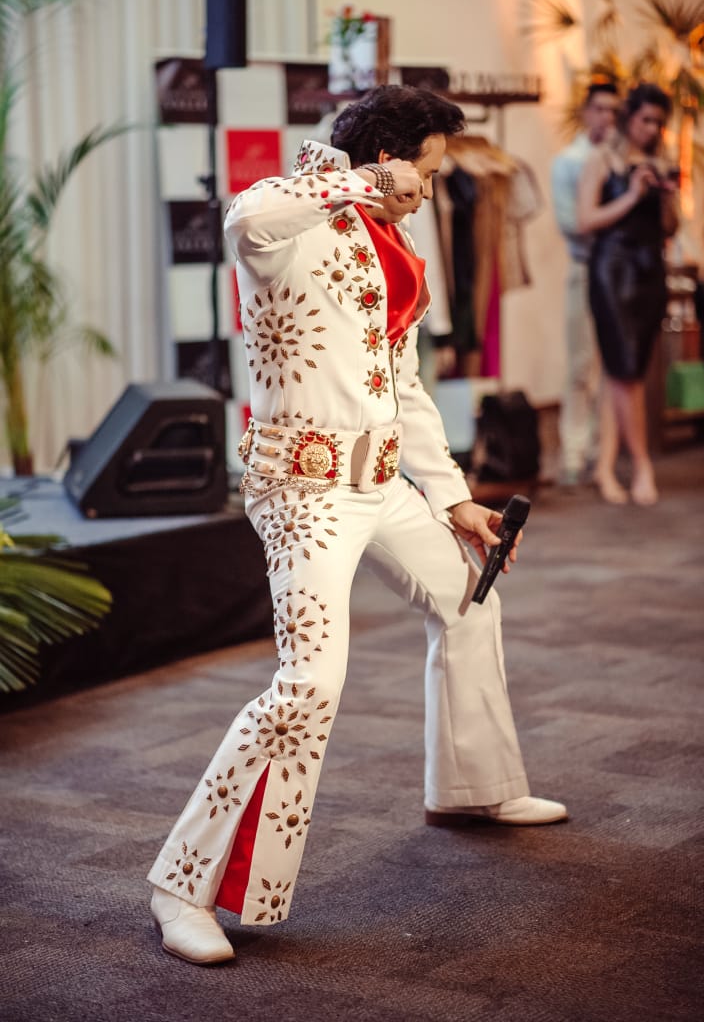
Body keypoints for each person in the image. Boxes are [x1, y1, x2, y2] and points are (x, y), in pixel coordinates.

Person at [147, 85, 567, 966]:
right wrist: (363, 185)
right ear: (386, 160)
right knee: (310, 685)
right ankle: (182, 887)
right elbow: (243, 216)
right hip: (303, 493)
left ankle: (474, 788)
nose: (430, 189)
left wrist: (452, 497)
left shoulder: (395, 243)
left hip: (380, 484)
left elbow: (401, 383)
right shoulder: (290, 219)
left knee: (469, 595)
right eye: (427, 172)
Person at [577, 83, 679, 505]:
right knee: (624, 372)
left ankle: (610, 465)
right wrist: (634, 195)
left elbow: (670, 228)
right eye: (645, 119)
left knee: (634, 368)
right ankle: (641, 464)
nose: (651, 128)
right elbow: (586, 220)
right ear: (629, 118)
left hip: (651, 269)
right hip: (612, 270)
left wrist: (667, 196)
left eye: (659, 122)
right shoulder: (602, 159)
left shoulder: (662, 163)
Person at [550, 80, 621, 493]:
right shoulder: (569, 162)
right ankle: (574, 454)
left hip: (621, 274)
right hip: (586, 268)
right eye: (600, 109)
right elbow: (573, 224)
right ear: (586, 112)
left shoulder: (624, 160)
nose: (606, 118)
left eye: (614, 111)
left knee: (615, 367)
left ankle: (602, 454)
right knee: (581, 365)